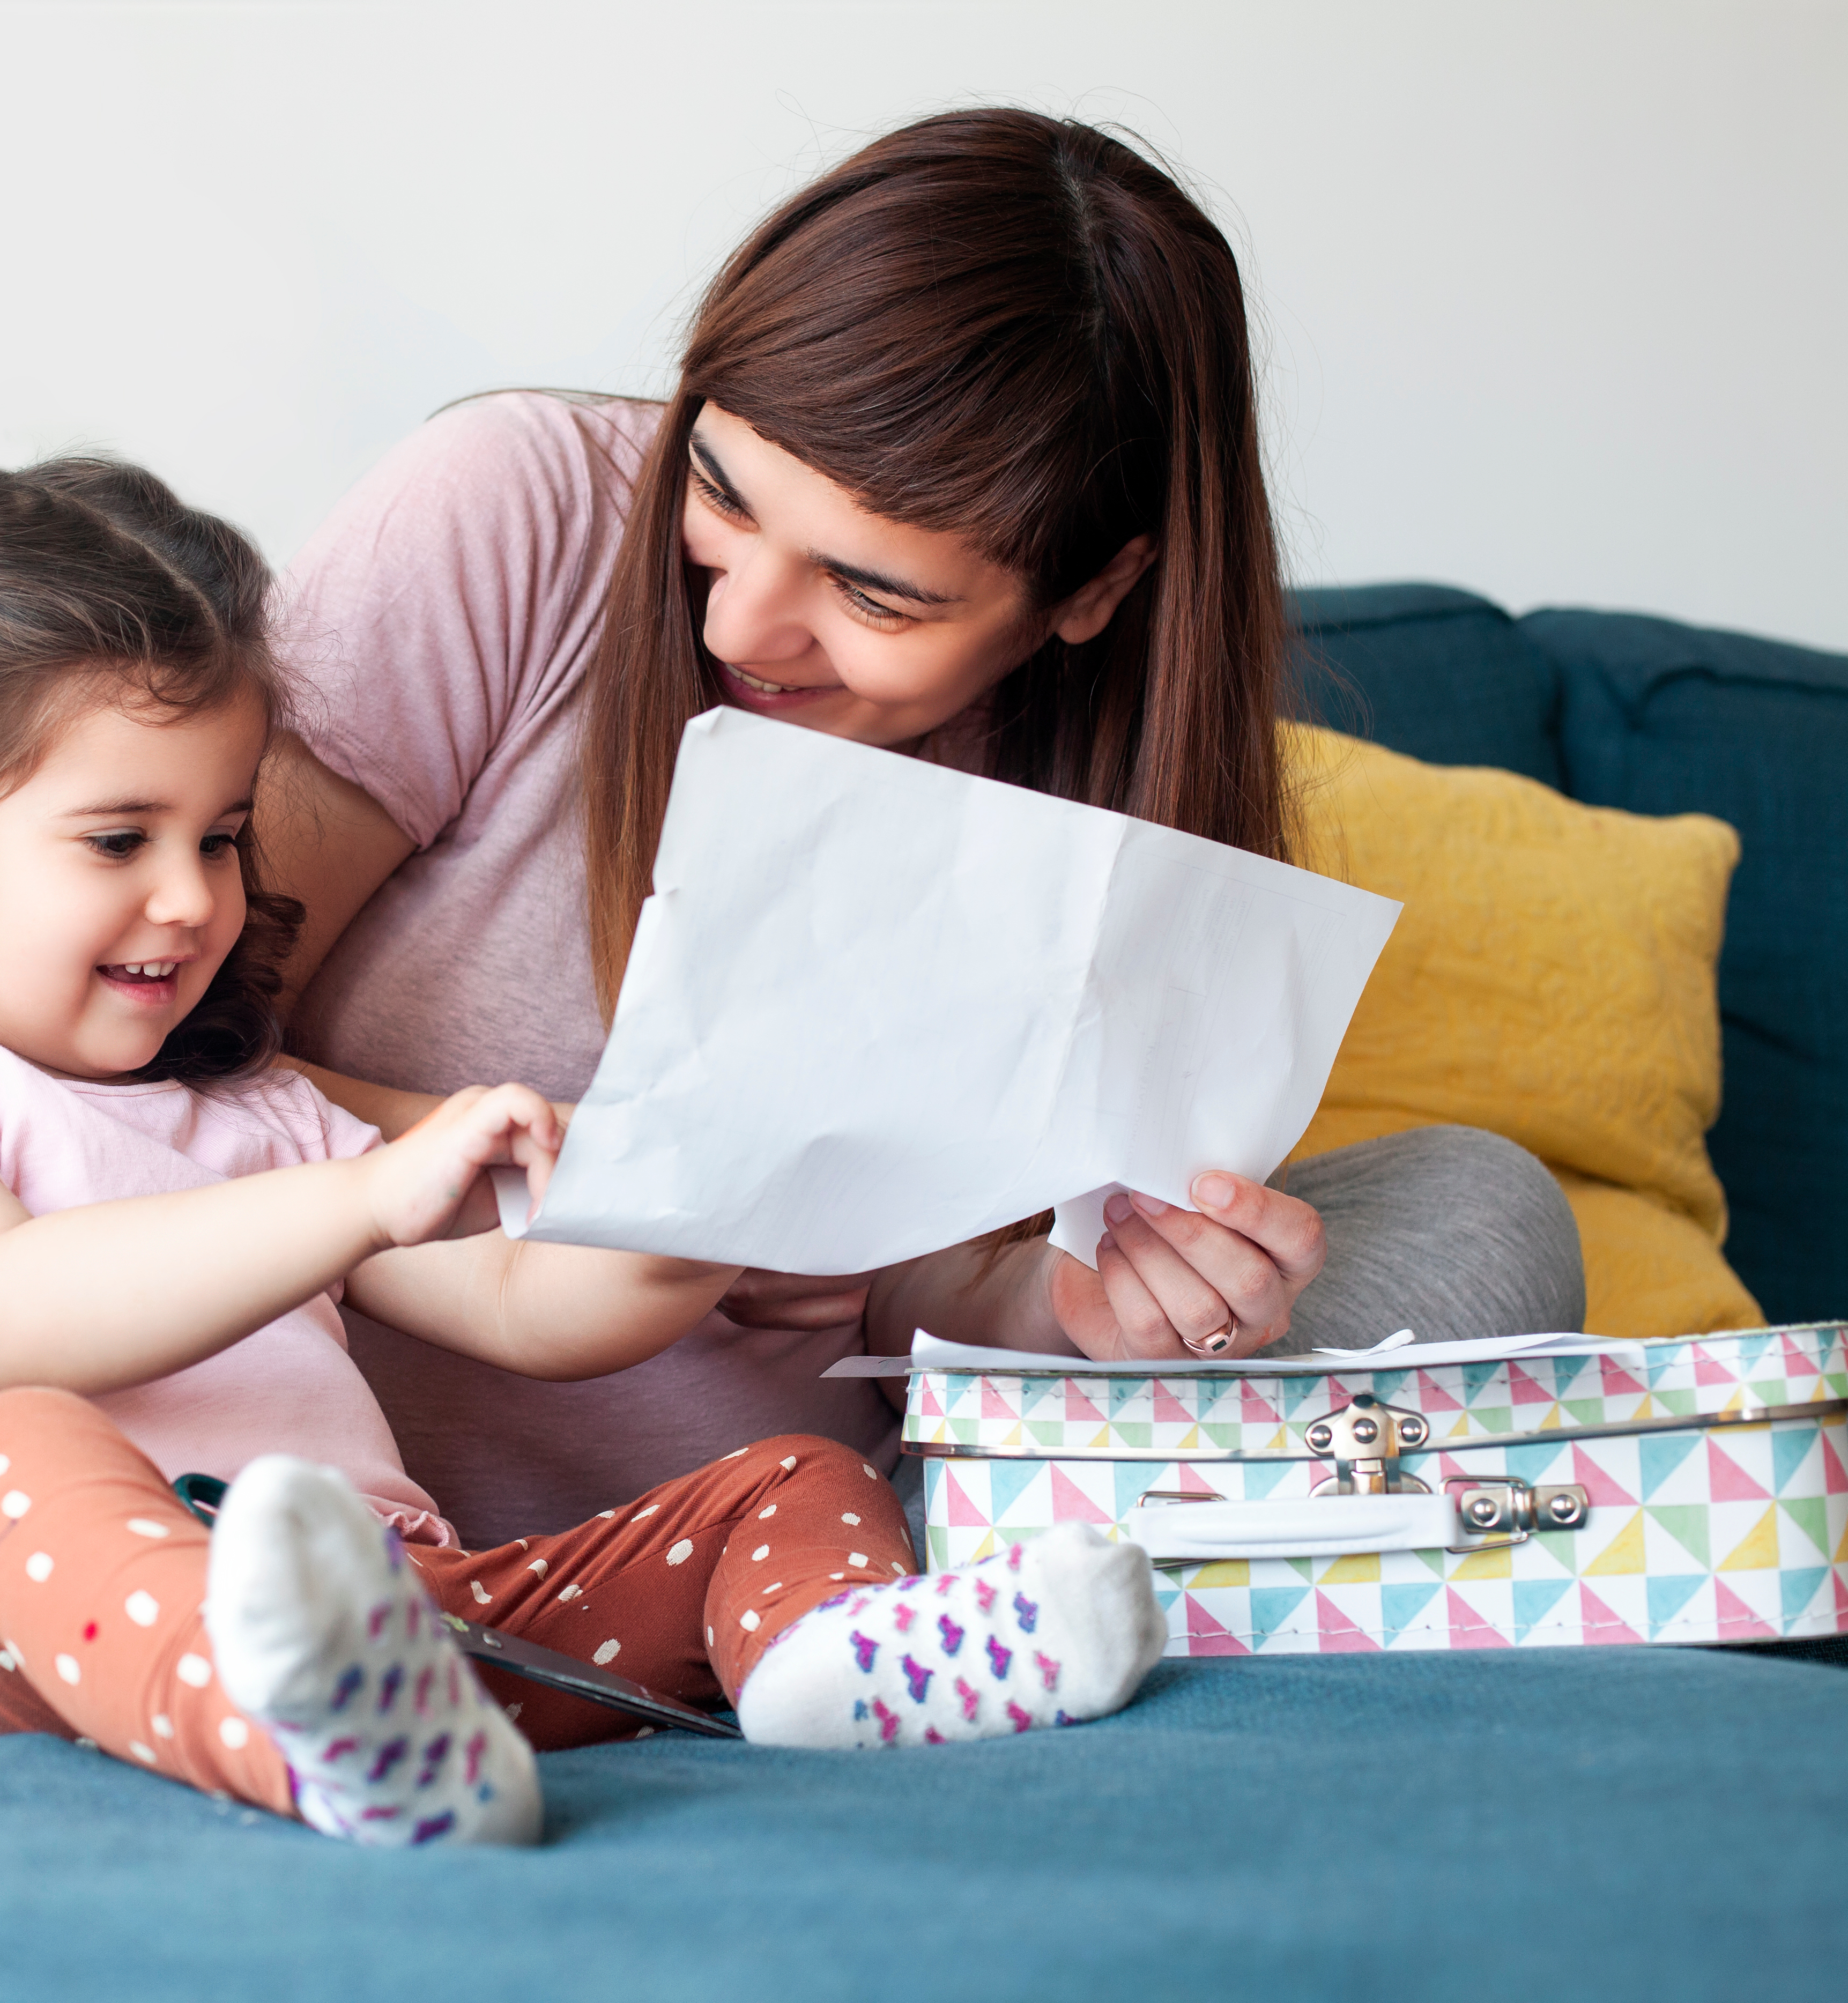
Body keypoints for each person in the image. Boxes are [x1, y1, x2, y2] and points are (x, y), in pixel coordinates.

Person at [0, 458, 1164, 1844]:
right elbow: (7, 1310)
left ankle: (835, 1666)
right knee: (4, 1454)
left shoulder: (259, 1113)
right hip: (51, 1680)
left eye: (223, 835)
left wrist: (701, 1203)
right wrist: (362, 1197)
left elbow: (526, 1309)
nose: (193, 899)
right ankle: (297, 1727)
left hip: (424, 1630)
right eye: (121, 842)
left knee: (790, 1479)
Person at [262, 108, 1587, 1548]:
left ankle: (984, 1606)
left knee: (1476, 1212)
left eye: (876, 594)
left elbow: (906, 1294)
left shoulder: (1075, 784)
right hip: (348, 1498)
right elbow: (129, 1040)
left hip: (824, 1534)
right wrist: (560, 1162)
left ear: (1089, 595)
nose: (739, 619)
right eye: (721, 490)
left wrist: (1078, 1308)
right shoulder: (513, 517)